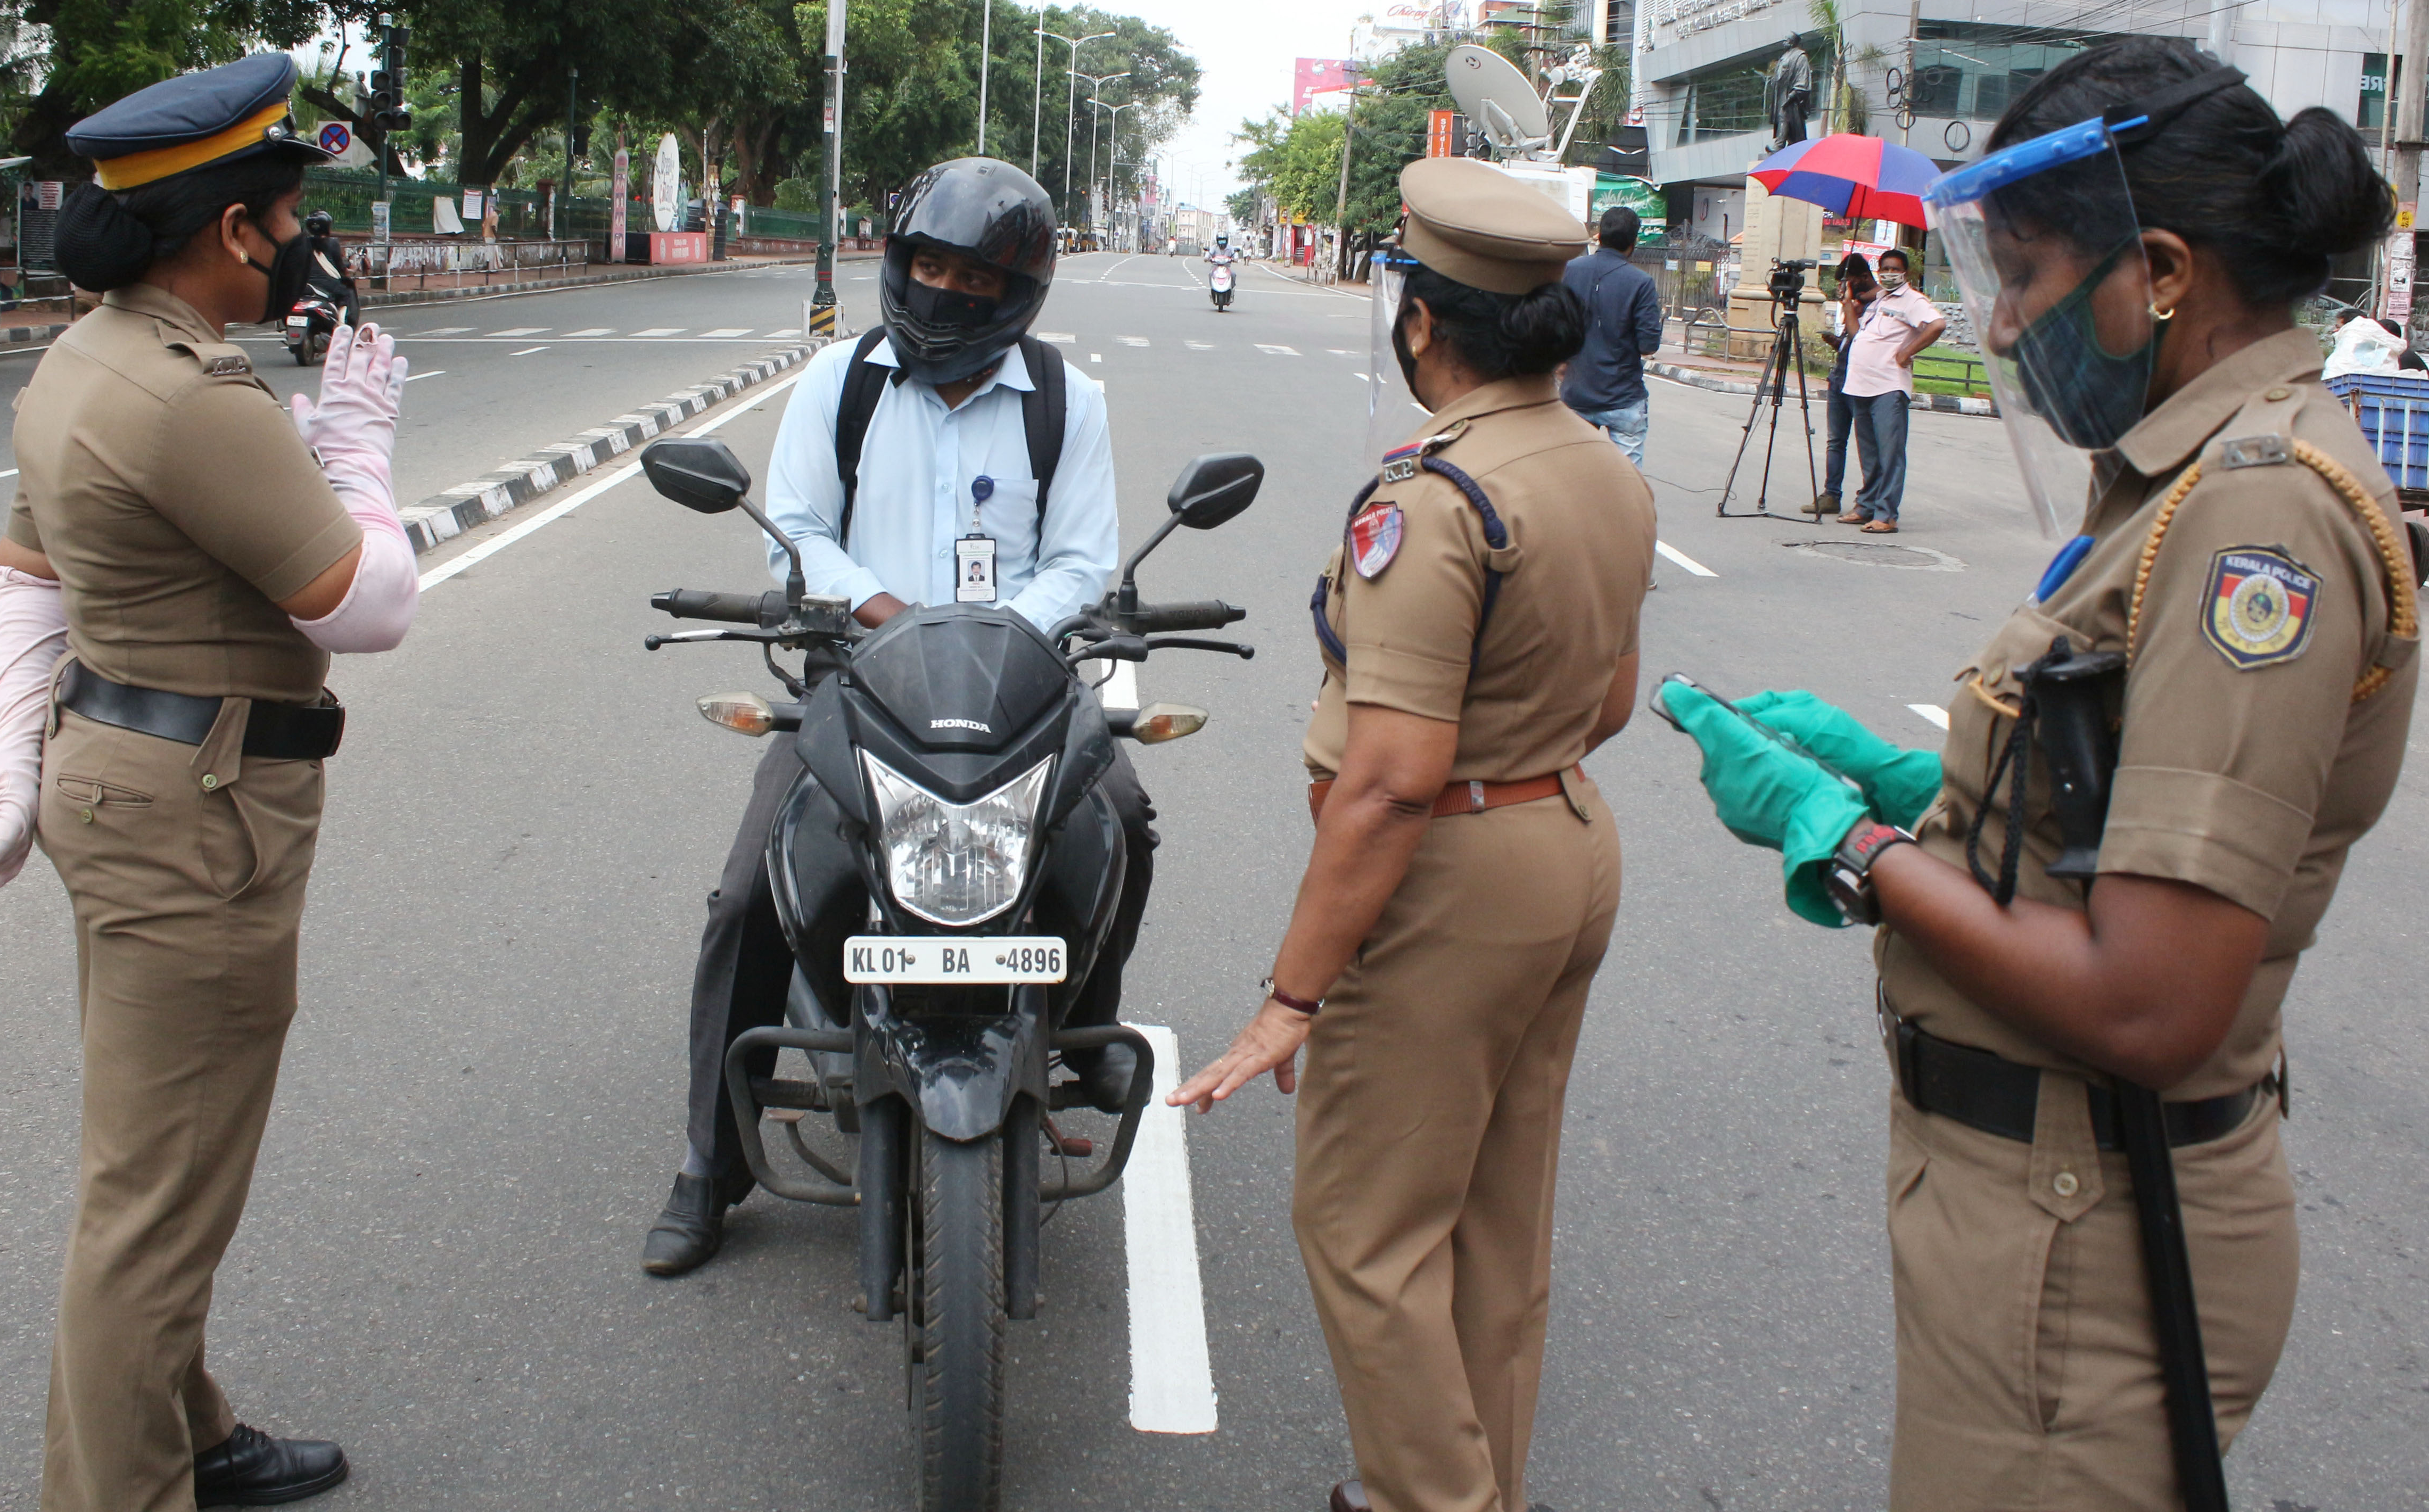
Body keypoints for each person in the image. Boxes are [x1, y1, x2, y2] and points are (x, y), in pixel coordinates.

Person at [1664, 38, 2413, 1509]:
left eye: (2022, 276)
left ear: (2163, 272)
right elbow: (2104, 808)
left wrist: (1853, 850)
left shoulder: (2253, 519)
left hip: (2089, 1232)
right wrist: (1919, 791)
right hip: (2040, 1209)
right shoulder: (2190, 477)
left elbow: (2151, 998)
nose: (1999, 329)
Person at [0, 51, 420, 1511]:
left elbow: (23, 583)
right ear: (231, 232)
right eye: (285, 219)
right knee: (150, 1206)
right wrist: (360, 449)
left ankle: (188, 1430)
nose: (300, 248)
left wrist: (15, 746)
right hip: (200, 822)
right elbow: (365, 605)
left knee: (167, 1156)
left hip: (126, 784)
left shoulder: (83, 359)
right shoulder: (187, 398)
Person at [1172, 157, 1657, 1512]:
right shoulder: (1600, 472)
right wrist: (1512, 776)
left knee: (1362, 1227)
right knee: (1498, 1217)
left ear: (1422, 321)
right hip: (1563, 836)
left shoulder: (1433, 498)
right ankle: (1480, 1481)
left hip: (1446, 870)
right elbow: (1608, 698)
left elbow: (1387, 781)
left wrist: (1288, 998)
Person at [643, 156, 1150, 1275]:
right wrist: (885, 614)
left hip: (1015, 691)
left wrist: (1002, 637)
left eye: (976, 276)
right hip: (861, 680)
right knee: (749, 897)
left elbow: (1079, 562)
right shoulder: (843, 382)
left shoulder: (1070, 401)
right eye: (927, 264)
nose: (945, 291)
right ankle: (708, 1168)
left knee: (1122, 811)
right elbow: (793, 528)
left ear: (1019, 290)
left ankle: (1084, 1023)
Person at [1842, 246, 1947, 533]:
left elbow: (1937, 325)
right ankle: (1866, 507)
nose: (1889, 274)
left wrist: (1906, 352)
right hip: (1860, 384)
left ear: (1906, 273)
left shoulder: (1912, 300)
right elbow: (1857, 335)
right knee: (1870, 452)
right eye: (1884, 269)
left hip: (1888, 385)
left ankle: (1886, 515)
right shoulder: (1879, 301)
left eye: (1894, 269)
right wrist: (1848, 306)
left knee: (1890, 453)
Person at [1556, 202, 1664, 469]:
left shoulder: (1569, 271)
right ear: (1633, 243)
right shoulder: (1640, 283)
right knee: (1628, 485)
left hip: (1576, 395)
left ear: (1599, 237)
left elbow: (1555, 326)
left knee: (1573, 479)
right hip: (1624, 397)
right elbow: (1648, 345)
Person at [1804, 254, 1876, 515]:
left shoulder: (1879, 304)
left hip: (1862, 384)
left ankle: (1870, 500)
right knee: (1836, 441)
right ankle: (1831, 494)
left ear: (1863, 278)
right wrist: (1838, 342)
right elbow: (1852, 342)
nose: (1843, 289)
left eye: (1847, 282)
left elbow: (1866, 342)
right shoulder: (1856, 303)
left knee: (1867, 444)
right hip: (1840, 379)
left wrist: (1851, 306)